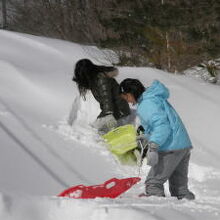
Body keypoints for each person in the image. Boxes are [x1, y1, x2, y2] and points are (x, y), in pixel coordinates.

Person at [119, 78, 195, 200]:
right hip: (181, 145)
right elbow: (161, 123)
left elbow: (162, 126)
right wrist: (147, 136)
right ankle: (192, 212)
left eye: (125, 97)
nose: (127, 101)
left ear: (129, 93)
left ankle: (157, 209)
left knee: (153, 184)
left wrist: (153, 146)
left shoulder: (146, 104)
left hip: (171, 147)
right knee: (179, 189)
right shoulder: (153, 98)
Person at [72, 59, 131, 134]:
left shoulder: (101, 79)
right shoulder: (94, 80)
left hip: (119, 110)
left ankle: (118, 137)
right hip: (111, 110)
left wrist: (109, 116)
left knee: (97, 130)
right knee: (95, 128)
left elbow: (107, 99)